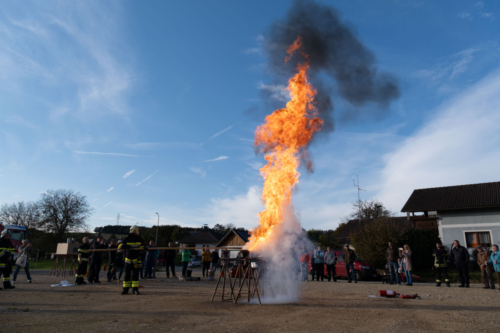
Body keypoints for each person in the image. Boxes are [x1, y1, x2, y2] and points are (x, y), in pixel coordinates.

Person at [119, 225, 144, 295]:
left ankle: (135, 290)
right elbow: (120, 246)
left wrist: (143, 248)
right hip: (128, 260)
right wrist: (126, 246)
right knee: (127, 275)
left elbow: (142, 245)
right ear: (132, 230)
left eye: (137, 230)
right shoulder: (127, 238)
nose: (137, 232)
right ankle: (125, 290)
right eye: (136, 230)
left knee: (136, 276)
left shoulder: (139, 238)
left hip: (136, 260)